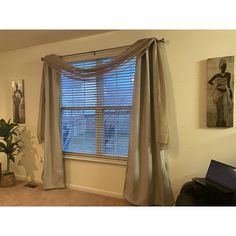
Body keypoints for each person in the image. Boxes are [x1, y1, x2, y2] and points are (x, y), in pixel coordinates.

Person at [208, 58, 233, 127]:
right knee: (219, 111)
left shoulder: (228, 74)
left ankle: (223, 126)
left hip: (225, 94)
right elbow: (209, 81)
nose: (224, 67)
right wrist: (216, 85)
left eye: (225, 66)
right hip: (218, 94)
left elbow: (228, 85)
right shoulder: (217, 75)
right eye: (223, 66)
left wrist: (231, 92)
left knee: (225, 110)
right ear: (221, 66)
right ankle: (218, 126)